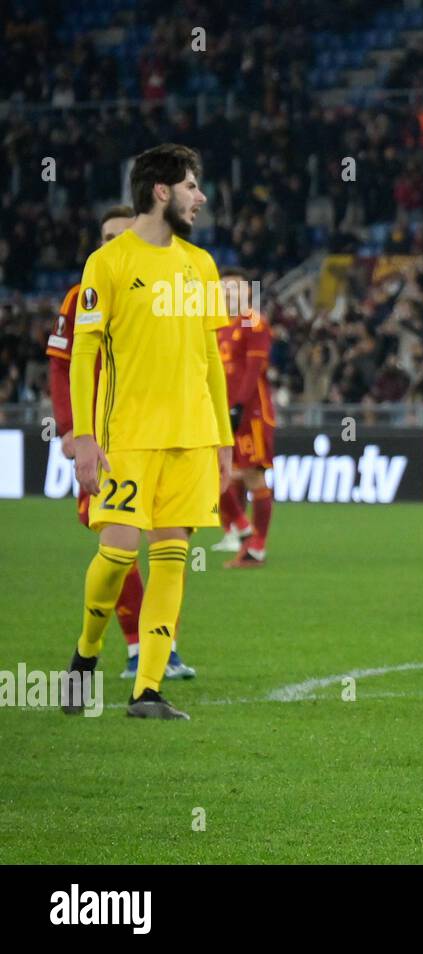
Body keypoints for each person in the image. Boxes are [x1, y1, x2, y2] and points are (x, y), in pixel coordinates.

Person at [60, 143, 233, 720]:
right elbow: (83, 353)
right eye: (192, 186)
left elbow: (210, 356)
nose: (200, 197)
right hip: (127, 436)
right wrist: (84, 436)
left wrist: (224, 439)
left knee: (172, 558)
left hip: (191, 436)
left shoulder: (201, 265)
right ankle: (85, 656)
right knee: (116, 553)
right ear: (162, 191)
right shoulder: (107, 264)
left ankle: (148, 690)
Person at [46, 205, 198, 681]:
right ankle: (122, 647)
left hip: (166, 436)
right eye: (106, 236)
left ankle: (157, 655)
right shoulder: (81, 296)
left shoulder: (162, 286)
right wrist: (72, 428)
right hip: (109, 438)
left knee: (167, 547)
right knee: (119, 549)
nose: (114, 244)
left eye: (122, 235)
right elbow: (60, 364)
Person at [213, 268, 276, 568]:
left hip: (250, 413)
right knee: (218, 473)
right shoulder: (216, 325)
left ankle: (256, 548)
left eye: (234, 289)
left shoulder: (254, 321)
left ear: (247, 292)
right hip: (222, 413)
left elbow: (253, 371)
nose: (229, 294)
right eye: (224, 290)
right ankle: (242, 528)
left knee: (252, 475)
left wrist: (237, 406)